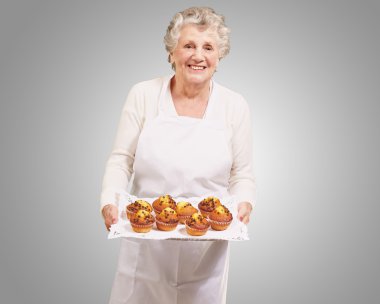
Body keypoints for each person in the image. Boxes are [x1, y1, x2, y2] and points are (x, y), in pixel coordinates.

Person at [100, 7, 255, 304]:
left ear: (219, 56)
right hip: (144, 248)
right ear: (172, 52)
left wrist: (244, 203)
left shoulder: (235, 106)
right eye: (188, 46)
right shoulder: (143, 95)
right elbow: (121, 159)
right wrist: (110, 200)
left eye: (208, 47)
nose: (198, 56)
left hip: (207, 250)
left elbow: (242, 174)